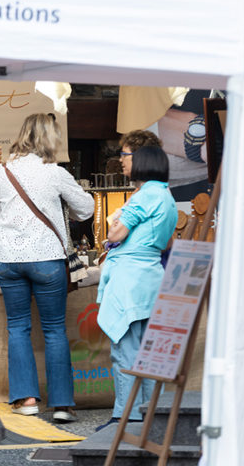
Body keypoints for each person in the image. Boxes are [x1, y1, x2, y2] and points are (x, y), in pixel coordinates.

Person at [0, 113, 93, 422]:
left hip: (10, 261)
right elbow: (86, 210)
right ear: (49, 138)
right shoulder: (55, 173)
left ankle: (26, 399)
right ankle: (62, 405)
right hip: (47, 258)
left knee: (18, 327)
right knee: (54, 329)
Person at [96, 145, 178, 429]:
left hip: (129, 279)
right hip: (152, 276)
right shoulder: (167, 197)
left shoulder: (144, 195)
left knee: (126, 350)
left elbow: (115, 233)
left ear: (144, 163)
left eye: (127, 157)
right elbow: (166, 244)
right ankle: (149, 416)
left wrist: (117, 219)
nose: (122, 161)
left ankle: (125, 417)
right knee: (147, 354)